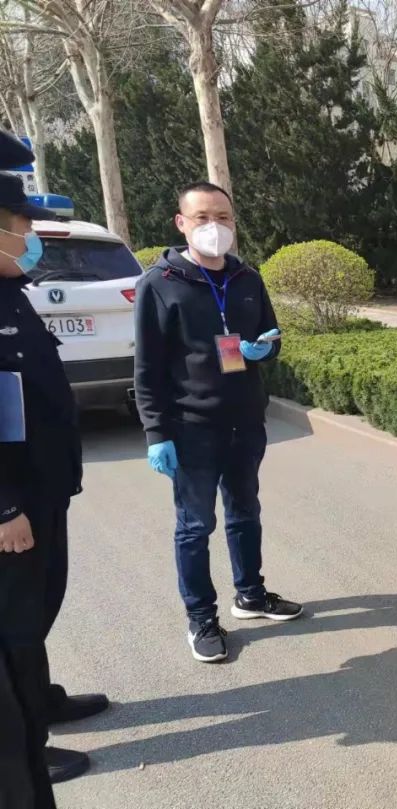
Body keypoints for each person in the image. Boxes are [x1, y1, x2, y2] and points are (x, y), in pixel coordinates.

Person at [134, 181, 302, 664]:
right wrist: (156, 433)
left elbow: (272, 336)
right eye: (203, 217)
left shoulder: (247, 278)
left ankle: (250, 594)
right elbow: (146, 367)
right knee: (195, 525)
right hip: (191, 428)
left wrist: (263, 349)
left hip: (245, 422)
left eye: (223, 217)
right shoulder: (159, 284)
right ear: (181, 223)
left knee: (245, 512)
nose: (215, 227)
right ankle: (201, 618)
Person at [0, 167, 109, 806]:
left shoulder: (12, 292)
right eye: (23, 228)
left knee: (40, 605)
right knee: (15, 623)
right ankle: (24, 745)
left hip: (43, 488)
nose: (32, 239)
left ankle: (39, 700)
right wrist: (4, 507)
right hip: (14, 503)